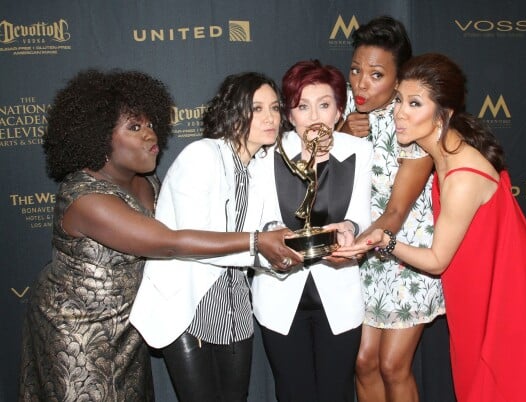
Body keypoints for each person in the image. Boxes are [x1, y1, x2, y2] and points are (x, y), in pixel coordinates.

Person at [18, 69, 299, 402]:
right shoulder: (85, 199)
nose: (150, 135)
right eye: (134, 127)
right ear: (98, 135)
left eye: (151, 124)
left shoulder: (146, 182)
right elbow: (168, 243)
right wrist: (257, 243)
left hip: (128, 324)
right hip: (78, 327)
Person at [334, 53, 526, 402]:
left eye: (414, 104)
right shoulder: (443, 152)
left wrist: (385, 240)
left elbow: (437, 260)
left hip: (503, 285)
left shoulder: (461, 174)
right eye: (399, 101)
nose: (399, 113)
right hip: (476, 278)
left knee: (493, 385)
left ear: (445, 113)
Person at [129, 72, 302, 402]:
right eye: (257, 108)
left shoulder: (260, 166)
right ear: (233, 111)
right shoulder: (202, 156)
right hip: (188, 303)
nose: (271, 117)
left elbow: (261, 234)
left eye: (275, 108)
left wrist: (282, 251)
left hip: (234, 300)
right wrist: (259, 243)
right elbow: (191, 239)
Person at [337, 16, 445, 402]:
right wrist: (341, 137)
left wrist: (357, 245)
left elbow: (397, 211)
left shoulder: (414, 121)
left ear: (399, 81)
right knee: (363, 362)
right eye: (355, 70)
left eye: (376, 75)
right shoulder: (343, 107)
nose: (361, 83)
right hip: (363, 258)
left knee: (392, 365)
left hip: (405, 255)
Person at [251, 59, 373, 402]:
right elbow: (258, 220)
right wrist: (275, 232)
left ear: (339, 111)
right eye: (303, 106)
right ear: (289, 115)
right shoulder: (266, 156)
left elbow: (362, 214)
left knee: (337, 392)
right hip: (279, 294)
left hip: (339, 294)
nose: (315, 116)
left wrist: (349, 228)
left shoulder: (359, 152)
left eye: (324, 104)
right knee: (293, 393)